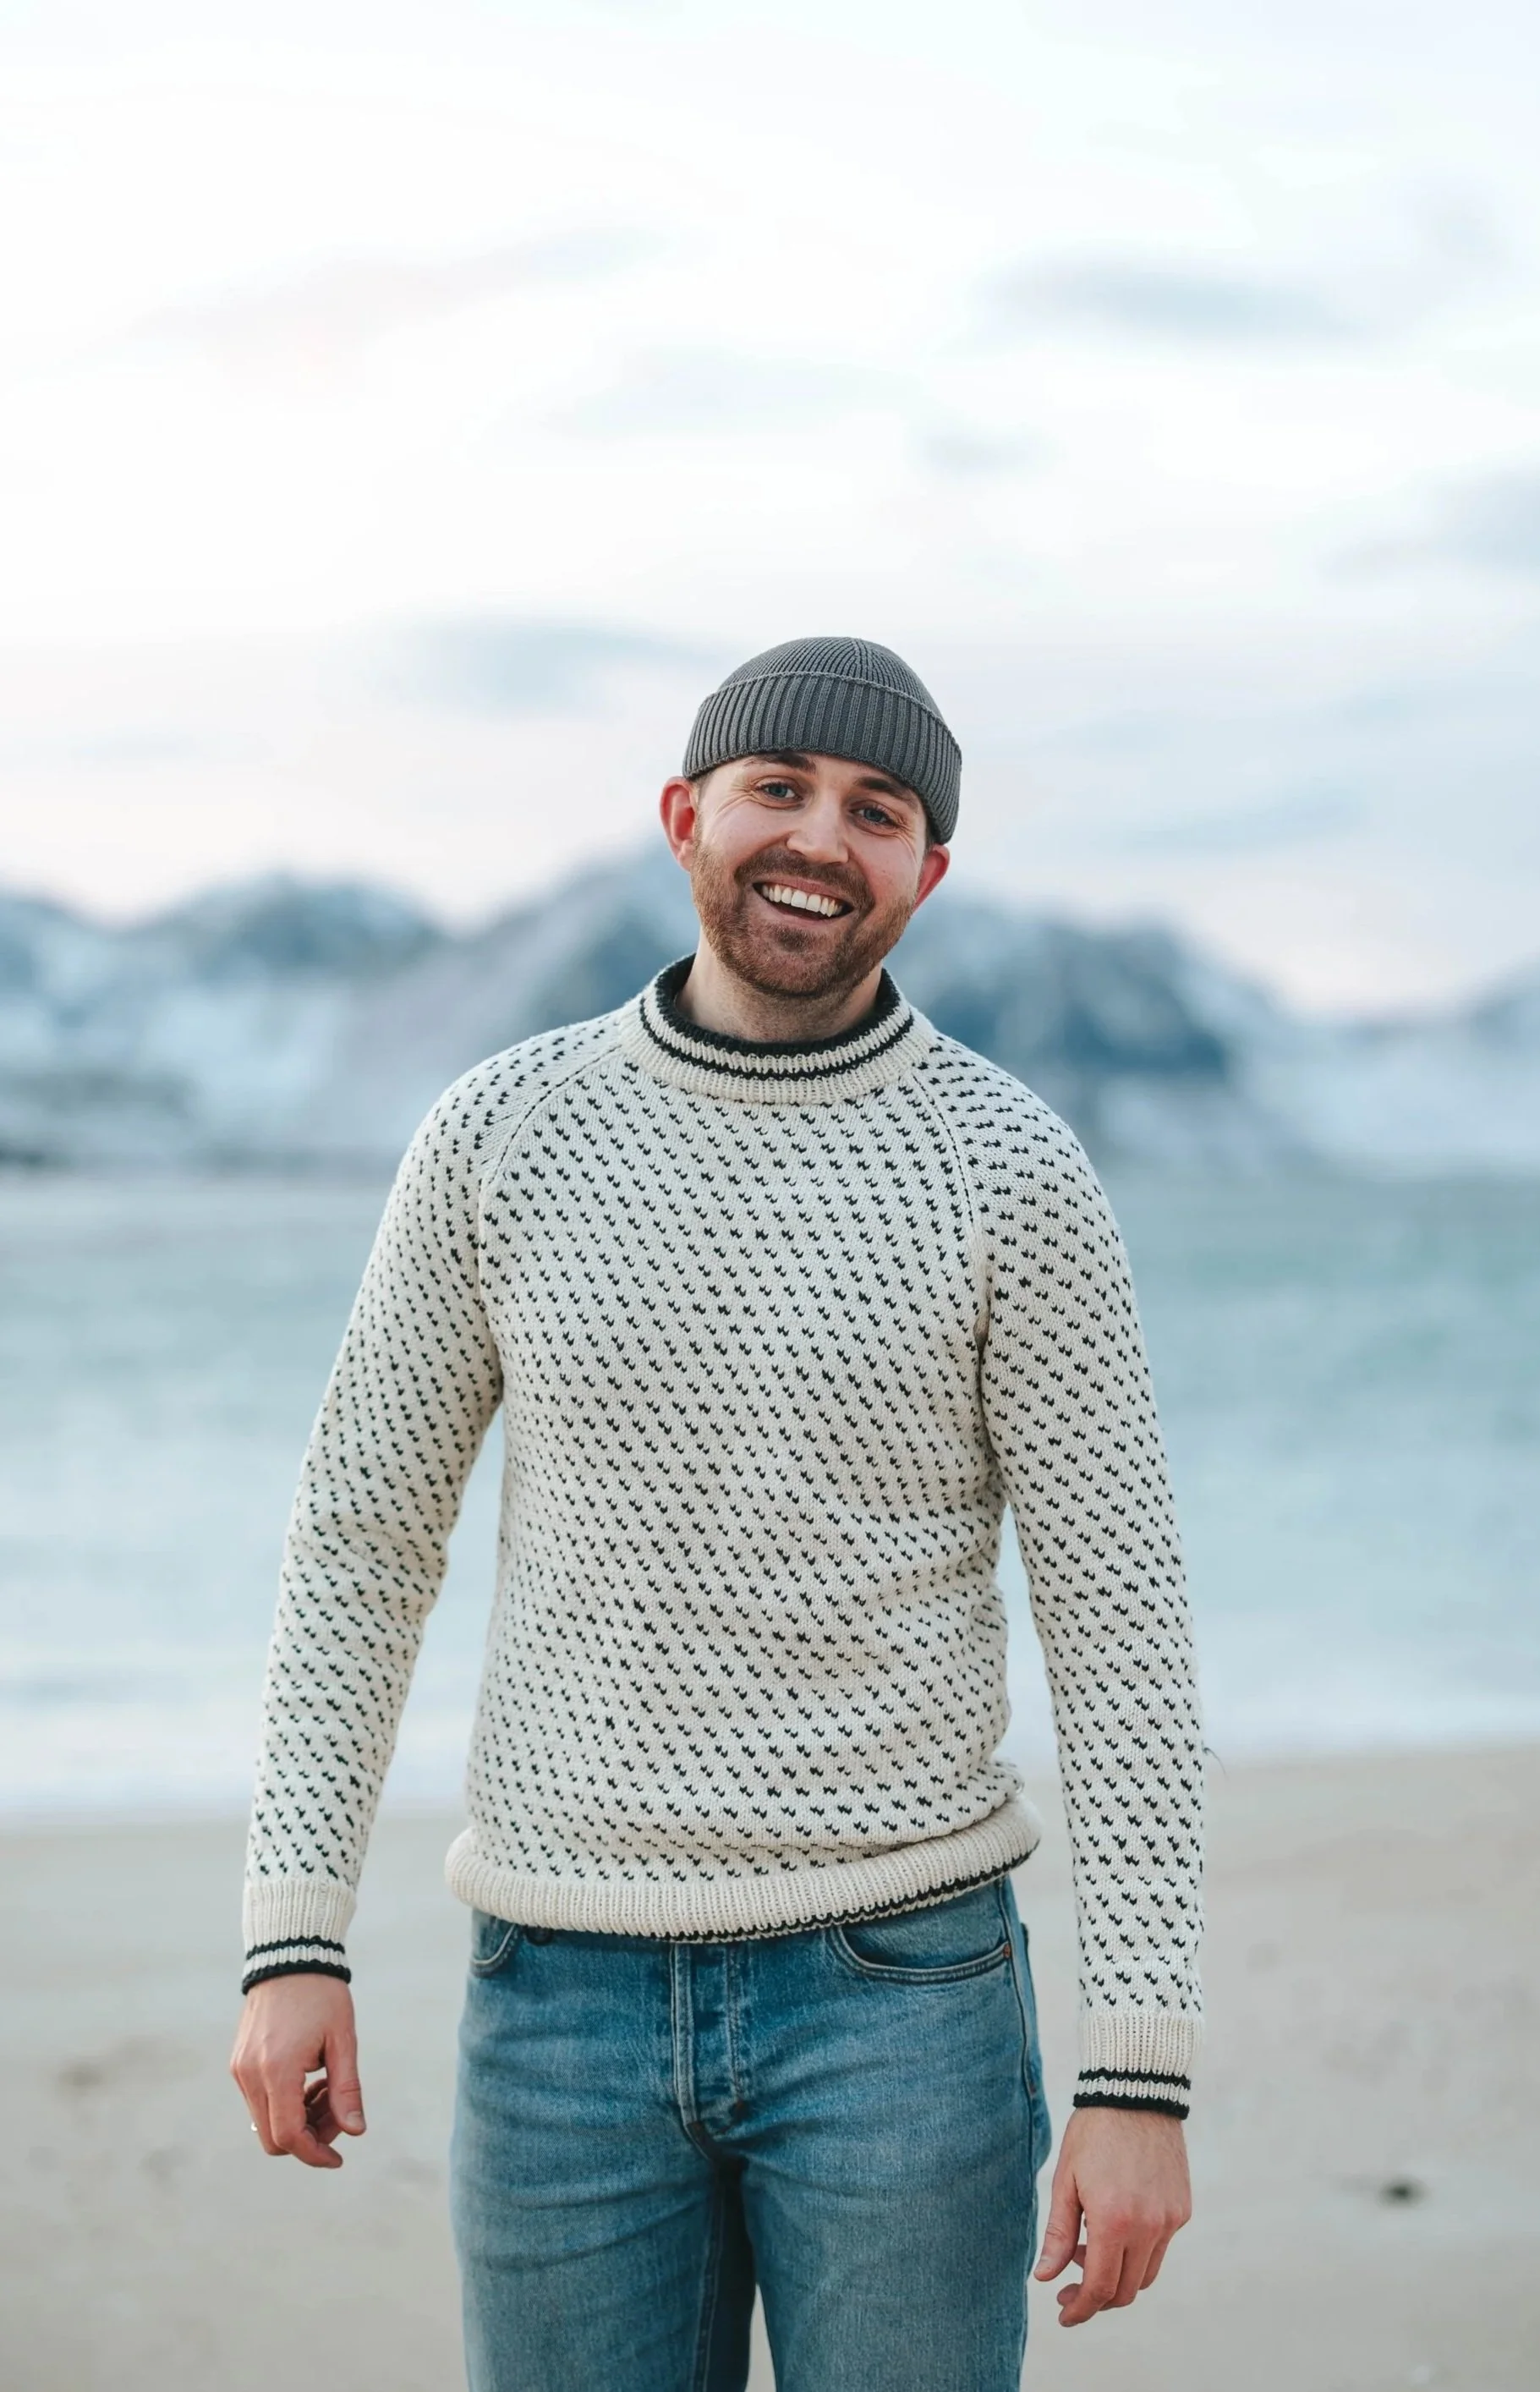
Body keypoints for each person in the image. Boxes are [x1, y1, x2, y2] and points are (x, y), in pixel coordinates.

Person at [230, 635, 1204, 2391]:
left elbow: (1119, 1620)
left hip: (903, 2002)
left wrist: (1141, 2068)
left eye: (878, 811)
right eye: (780, 789)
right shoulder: (500, 1134)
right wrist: (294, 1928)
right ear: (686, 816)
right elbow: (363, 1542)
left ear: (928, 872)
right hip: (557, 1999)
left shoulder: (1013, 1170)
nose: (821, 839)